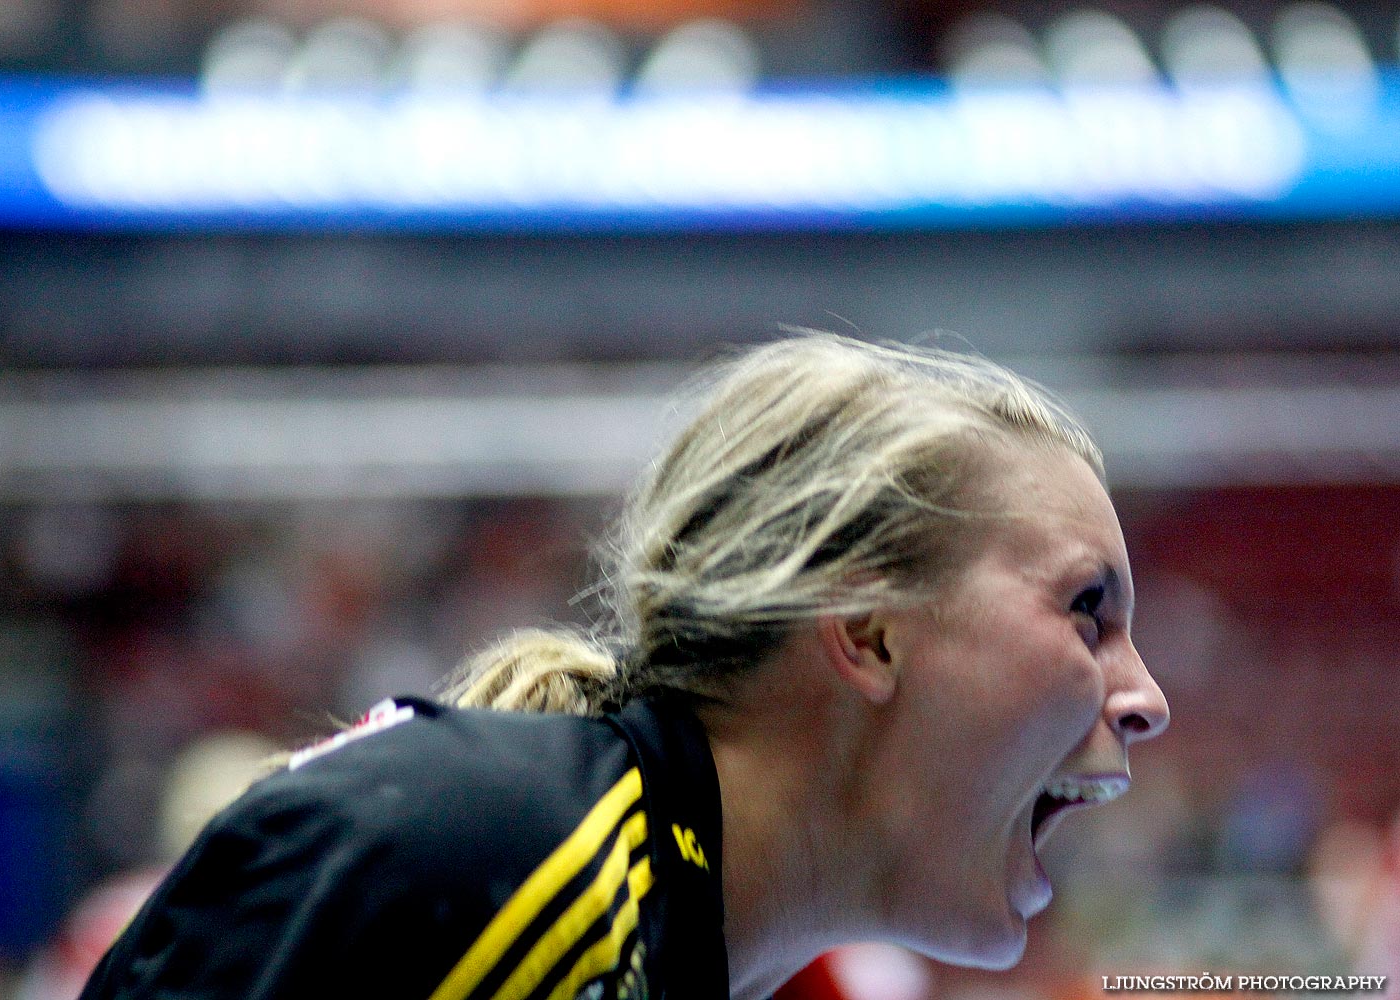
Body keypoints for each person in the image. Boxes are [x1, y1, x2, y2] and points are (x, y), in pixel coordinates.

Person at [79, 332, 1169, 1000]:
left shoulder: (633, 913)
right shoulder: (488, 859)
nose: (1148, 698)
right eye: (1087, 611)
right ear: (869, 629)